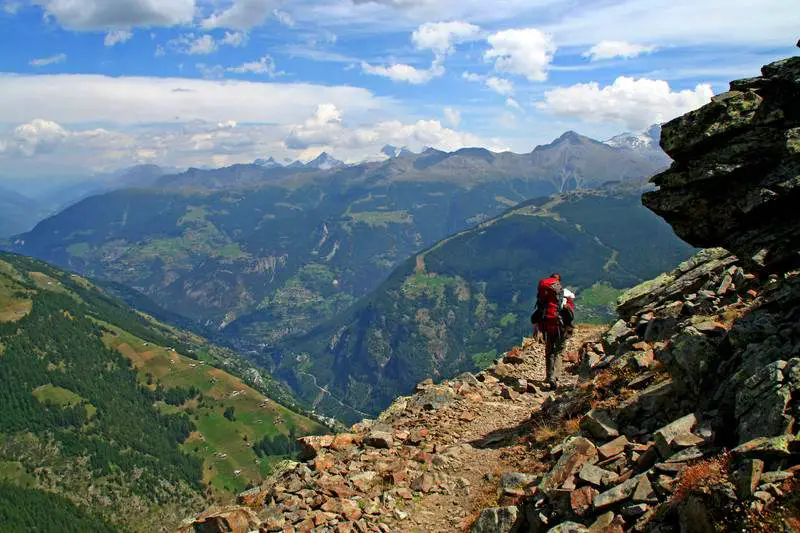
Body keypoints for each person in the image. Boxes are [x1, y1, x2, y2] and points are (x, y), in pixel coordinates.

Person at [530, 273, 570, 388]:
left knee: (549, 351)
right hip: (559, 324)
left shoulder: (544, 297)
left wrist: (538, 328)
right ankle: (555, 377)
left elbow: (536, 314)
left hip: (547, 325)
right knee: (560, 351)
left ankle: (548, 376)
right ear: (558, 281)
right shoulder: (562, 294)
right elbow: (569, 315)